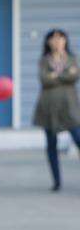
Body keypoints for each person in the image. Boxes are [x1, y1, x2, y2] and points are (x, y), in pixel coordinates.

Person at [32, 28, 80, 191]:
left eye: (60, 38)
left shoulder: (72, 58)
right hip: (49, 107)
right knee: (51, 144)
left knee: (78, 137)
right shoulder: (44, 60)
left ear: (65, 41)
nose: (57, 42)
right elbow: (44, 79)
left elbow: (74, 76)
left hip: (69, 107)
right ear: (48, 42)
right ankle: (57, 181)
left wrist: (56, 76)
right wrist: (63, 75)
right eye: (53, 39)